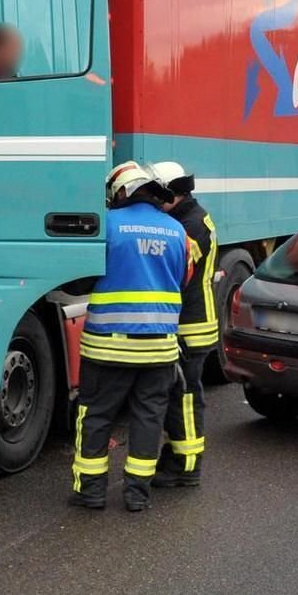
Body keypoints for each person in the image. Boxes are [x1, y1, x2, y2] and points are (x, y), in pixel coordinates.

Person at [71, 161, 189, 513]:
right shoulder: (177, 230)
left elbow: (81, 279)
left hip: (107, 346)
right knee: (148, 419)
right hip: (160, 349)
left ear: (121, 191)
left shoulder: (107, 225)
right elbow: (182, 279)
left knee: (94, 416)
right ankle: (137, 494)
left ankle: (90, 492)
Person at [150, 159, 215, 489]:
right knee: (182, 395)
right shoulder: (189, 216)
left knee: (185, 397)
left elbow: (174, 271)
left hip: (190, 325)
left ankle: (186, 465)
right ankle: (179, 454)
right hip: (192, 319)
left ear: (170, 193)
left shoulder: (189, 226)